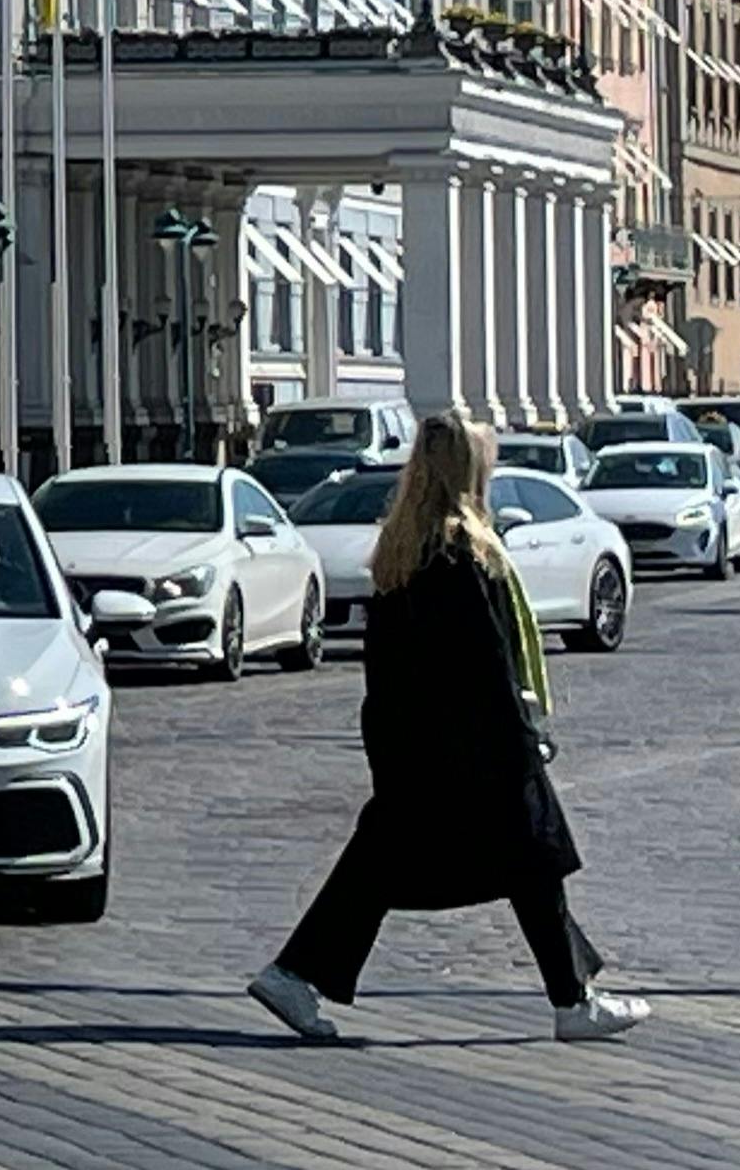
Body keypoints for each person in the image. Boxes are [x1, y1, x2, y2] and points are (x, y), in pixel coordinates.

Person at [249, 412, 649, 1045]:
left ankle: (296, 974)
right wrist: (523, 737)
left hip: (416, 745)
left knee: (452, 864)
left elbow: (385, 666)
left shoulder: (402, 547)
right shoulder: (462, 551)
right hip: (474, 749)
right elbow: (486, 662)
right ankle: (572, 1002)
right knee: (527, 856)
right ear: (470, 469)